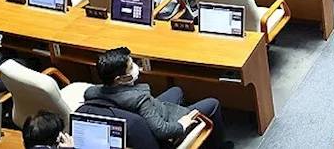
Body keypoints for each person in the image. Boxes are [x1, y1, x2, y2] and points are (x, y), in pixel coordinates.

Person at [82, 46, 227, 149]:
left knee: (177, 91)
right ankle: (217, 145)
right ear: (120, 79)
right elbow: (161, 131)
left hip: (147, 113)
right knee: (212, 104)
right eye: (131, 66)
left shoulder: (91, 92)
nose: (136, 68)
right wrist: (182, 124)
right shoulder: (140, 100)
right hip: (164, 128)